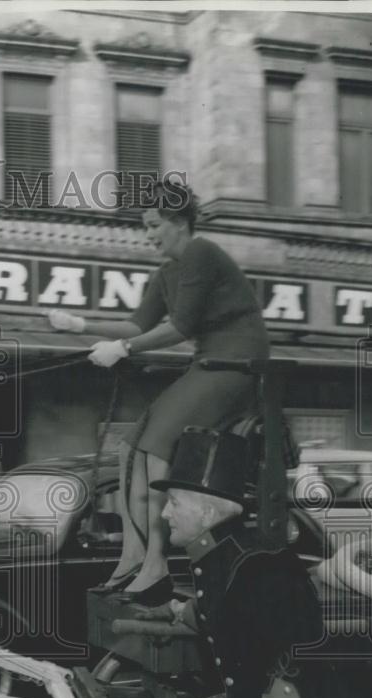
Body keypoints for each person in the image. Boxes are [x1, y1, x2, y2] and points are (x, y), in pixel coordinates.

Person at [48, 178, 269, 604]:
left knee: (155, 448)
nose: (147, 235)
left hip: (236, 364)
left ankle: (156, 563)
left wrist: (124, 349)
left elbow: (179, 327)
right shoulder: (168, 273)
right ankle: (133, 557)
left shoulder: (201, 254)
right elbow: (137, 325)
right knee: (130, 450)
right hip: (208, 364)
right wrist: (79, 325)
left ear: (179, 222)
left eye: (153, 225)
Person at [135, 427, 369, 698]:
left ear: (207, 512)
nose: (164, 514)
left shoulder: (261, 566)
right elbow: (238, 616)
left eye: (174, 503)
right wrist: (178, 610)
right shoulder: (226, 557)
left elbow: (298, 654)